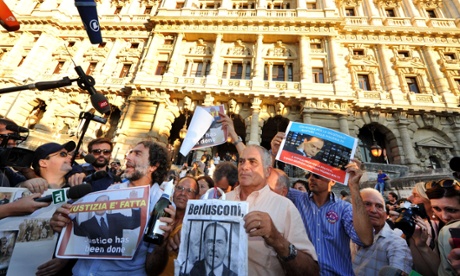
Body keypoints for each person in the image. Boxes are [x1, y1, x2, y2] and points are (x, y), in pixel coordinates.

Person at [50, 141, 175, 276]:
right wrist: (64, 223)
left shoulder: (162, 204)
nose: (128, 157)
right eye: (130, 152)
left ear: (153, 166)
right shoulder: (112, 190)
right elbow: (86, 235)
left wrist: (162, 242)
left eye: (137, 154)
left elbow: (153, 270)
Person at [271, 130, 373, 276]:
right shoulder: (298, 199)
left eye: (318, 175)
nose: (312, 178)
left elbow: (365, 239)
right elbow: (270, 185)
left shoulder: (343, 208)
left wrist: (354, 187)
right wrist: (274, 155)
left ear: (332, 180)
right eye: (309, 174)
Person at [226, 145, 319, 275]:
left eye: (252, 162)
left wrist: (276, 239)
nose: (244, 167)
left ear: (267, 171)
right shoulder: (222, 200)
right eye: (241, 161)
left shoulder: (285, 207)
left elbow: (311, 271)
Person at [351, 188, 412, 275]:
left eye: (379, 206)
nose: (373, 210)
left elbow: (399, 269)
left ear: (385, 215)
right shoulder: (345, 235)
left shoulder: (395, 243)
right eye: (367, 204)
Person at [146, 176, 198, 276]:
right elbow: (150, 268)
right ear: (173, 191)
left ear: (196, 197)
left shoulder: (193, 227)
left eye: (189, 191)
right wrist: (163, 242)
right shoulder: (160, 218)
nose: (183, 193)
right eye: (179, 188)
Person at [72, 193, 141, 256]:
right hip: (95, 261)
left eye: (105, 202)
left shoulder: (117, 217)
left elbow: (135, 223)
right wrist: (72, 217)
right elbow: (77, 232)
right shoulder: (86, 224)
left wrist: (135, 206)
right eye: (99, 202)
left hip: (116, 261)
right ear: (93, 205)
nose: (101, 205)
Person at [426, 178, 460, 275]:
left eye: (452, 210)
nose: (444, 216)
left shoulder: (445, 232)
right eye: (436, 208)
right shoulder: (437, 227)